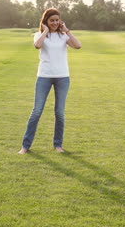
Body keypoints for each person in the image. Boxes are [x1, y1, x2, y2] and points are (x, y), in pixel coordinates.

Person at [18, 8, 81, 154]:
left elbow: (78, 46)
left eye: (57, 20)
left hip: (62, 77)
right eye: (51, 20)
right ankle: (25, 146)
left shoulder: (63, 36)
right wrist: (45, 31)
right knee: (37, 111)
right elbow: (37, 45)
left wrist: (67, 31)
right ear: (46, 21)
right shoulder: (39, 35)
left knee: (59, 112)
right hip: (44, 76)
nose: (55, 23)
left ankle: (58, 145)